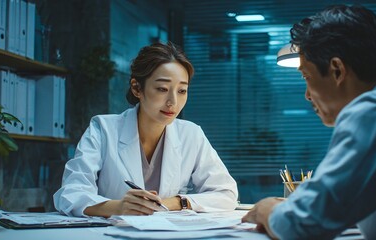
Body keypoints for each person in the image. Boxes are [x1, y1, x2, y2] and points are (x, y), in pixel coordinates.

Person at [242, 4, 376, 239]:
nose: (307, 95)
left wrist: (267, 209)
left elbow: (303, 226)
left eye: (307, 76)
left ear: (337, 70)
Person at [54, 41, 238, 217]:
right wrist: (118, 207)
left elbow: (226, 193)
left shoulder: (191, 135)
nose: (173, 102)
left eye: (182, 91)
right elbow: (70, 194)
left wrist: (175, 202)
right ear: (136, 88)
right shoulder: (103, 129)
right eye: (162, 89)